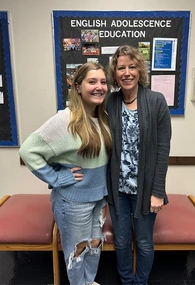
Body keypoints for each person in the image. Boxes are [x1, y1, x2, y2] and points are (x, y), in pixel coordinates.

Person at [19, 63, 112, 285]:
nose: (99, 87)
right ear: (77, 87)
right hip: (73, 201)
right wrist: (57, 178)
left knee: (95, 244)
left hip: (99, 198)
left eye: (102, 82)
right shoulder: (65, 119)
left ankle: (88, 282)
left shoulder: (103, 117)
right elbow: (28, 151)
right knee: (78, 249)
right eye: (92, 82)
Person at [106, 45, 171, 285]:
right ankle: (126, 281)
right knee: (122, 241)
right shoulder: (110, 102)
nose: (127, 72)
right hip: (118, 190)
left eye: (132, 67)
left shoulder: (156, 101)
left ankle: (140, 282)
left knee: (143, 241)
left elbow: (163, 149)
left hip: (145, 191)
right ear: (115, 73)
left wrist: (157, 192)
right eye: (121, 67)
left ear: (139, 70)